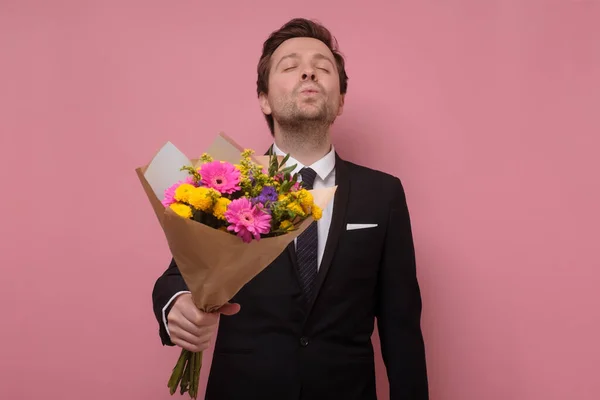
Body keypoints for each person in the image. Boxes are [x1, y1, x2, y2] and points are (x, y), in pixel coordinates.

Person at [152, 17, 429, 400]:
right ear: (264, 98)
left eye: (322, 66)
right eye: (290, 65)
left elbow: (402, 326)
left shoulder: (383, 193)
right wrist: (176, 304)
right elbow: (176, 276)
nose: (308, 72)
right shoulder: (226, 184)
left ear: (341, 100)